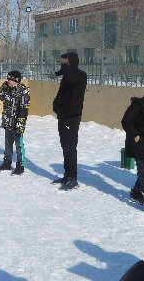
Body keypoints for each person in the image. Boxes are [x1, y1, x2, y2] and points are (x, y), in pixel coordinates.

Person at [51, 52, 87, 190]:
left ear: (71, 62)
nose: (61, 63)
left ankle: (73, 177)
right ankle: (67, 174)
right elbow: (62, 93)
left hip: (72, 116)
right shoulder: (67, 76)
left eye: (64, 61)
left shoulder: (80, 75)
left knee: (70, 147)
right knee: (65, 146)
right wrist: (56, 105)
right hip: (63, 115)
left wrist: (65, 66)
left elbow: (72, 79)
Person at [0, 70, 30, 175]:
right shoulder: (6, 89)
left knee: (19, 145)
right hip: (7, 121)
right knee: (8, 143)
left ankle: (20, 165)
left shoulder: (23, 90)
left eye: (9, 79)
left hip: (17, 122)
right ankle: (7, 162)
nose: (8, 81)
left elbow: (24, 108)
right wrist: (3, 86)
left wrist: (20, 123)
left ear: (15, 80)